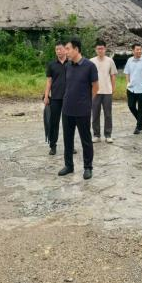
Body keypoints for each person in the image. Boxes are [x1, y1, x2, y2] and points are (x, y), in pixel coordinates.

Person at [58, 38, 99, 180]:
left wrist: (87, 102)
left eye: (68, 49)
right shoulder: (68, 66)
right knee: (67, 139)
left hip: (82, 110)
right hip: (67, 109)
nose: (66, 52)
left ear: (76, 49)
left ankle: (88, 167)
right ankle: (69, 166)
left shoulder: (90, 66)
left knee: (85, 140)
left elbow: (95, 87)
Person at [90, 40, 117, 144]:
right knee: (95, 114)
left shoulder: (110, 61)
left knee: (108, 114)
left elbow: (113, 75)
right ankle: (96, 135)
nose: (100, 50)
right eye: (98, 49)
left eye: (102, 48)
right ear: (95, 50)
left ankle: (108, 135)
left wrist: (113, 88)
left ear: (105, 49)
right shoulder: (91, 61)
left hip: (107, 91)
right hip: (95, 92)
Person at [44, 41, 68, 156]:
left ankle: (70, 145)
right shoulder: (52, 65)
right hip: (55, 98)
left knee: (69, 123)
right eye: (56, 49)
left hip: (69, 98)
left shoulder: (71, 63)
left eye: (60, 49)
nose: (58, 51)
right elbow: (49, 81)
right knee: (54, 122)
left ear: (65, 50)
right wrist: (46, 96)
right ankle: (53, 146)